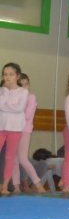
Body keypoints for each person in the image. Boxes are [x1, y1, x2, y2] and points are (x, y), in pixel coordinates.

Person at [11, 73, 45, 193]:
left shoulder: (31, 97)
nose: (25, 87)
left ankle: (38, 184)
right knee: (14, 160)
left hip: (25, 130)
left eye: (27, 84)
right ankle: (16, 187)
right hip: (15, 130)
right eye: (22, 85)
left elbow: (27, 115)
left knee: (23, 159)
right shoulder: (16, 98)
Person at [0, 63, 27, 195]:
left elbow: (19, 108)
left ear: (17, 76)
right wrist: (5, 92)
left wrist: (6, 105)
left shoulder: (23, 92)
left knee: (9, 158)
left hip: (15, 128)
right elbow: (1, 105)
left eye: (11, 74)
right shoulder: (2, 90)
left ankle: (5, 186)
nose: (7, 77)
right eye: (5, 74)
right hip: (1, 127)